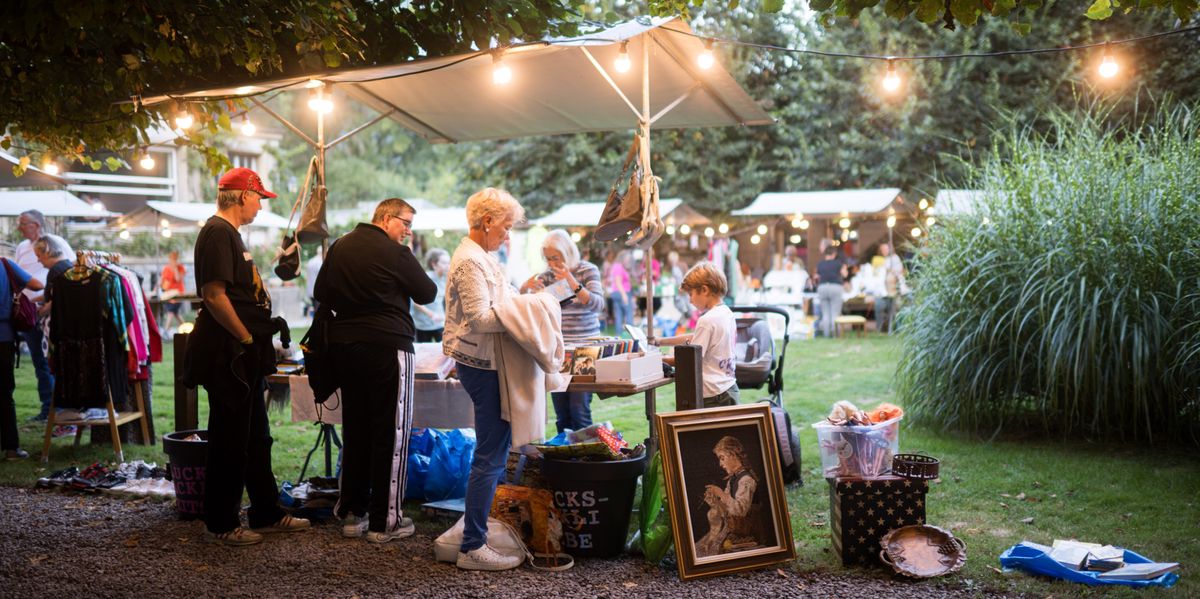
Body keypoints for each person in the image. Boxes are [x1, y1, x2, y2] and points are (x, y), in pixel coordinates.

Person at [184, 167, 309, 546]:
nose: (260, 205)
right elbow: (214, 294)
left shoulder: (232, 235)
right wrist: (243, 337)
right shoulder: (218, 233)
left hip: (245, 352)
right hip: (229, 355)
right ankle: (220, 523)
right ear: (241, 196)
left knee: (257, 437)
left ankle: (265, 511)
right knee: (229, 439)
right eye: (258, 197)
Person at [314, 198, 436, 543]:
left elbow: (320, 291)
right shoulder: (395, 252)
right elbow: (427, 293)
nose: (409, 231)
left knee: (356, 429)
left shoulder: (340, 246)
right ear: (385, 218)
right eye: (406, 222)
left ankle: (354, 513)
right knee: (391, 432)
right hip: (388, 345)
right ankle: (387, 522)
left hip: (345, 347)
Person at [443, 187, 527, 571]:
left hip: (488, 362)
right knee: (490, 455)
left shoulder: (482, 258)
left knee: (494, 452)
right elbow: (481, 317)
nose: (508, 235)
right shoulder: (469, 262)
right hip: (480, 363)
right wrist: (528, 313)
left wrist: (528, 300)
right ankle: (472, 546)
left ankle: (475, 534)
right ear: (488, 221)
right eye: (506, 227)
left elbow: (502, 302)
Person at [519, 229, 605, 433]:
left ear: (567, 252)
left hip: (586, 348)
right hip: (558, 349)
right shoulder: (547, 276)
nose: (551, 263)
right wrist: (525, 289)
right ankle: (564, 458)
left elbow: (598, 304)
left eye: (555, 257)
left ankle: (585, 458)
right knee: (561, 412)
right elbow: (534, 311)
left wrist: (571, 281)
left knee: (579, 408)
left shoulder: (588, 270)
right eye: (547, 258)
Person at [14, 210, 72, 422]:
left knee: (52, 358)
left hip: (46, 309)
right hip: (29, 312)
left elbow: (68, 276)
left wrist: (45, 301)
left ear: (36, 225)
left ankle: (58, 407)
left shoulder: (56, 243)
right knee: (39, 359)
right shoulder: (21, 247)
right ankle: (47, 406)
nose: (20, 228)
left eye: (23, 224)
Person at [658, 262, 738, 408]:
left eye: (691, 294)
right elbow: (696, 338)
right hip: (728, 388)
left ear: (704, 290)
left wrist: (659, 360)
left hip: (712, 395)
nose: (690, 300)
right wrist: (660, 341)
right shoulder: (726, 313)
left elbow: (691, 360)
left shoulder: (707, 320)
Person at [1, 254, 43, 460]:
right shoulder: (5, 264)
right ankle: (11, 448)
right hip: (4, 337)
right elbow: (37, 284)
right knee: (4, 393)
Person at [695, 435, 763, 557]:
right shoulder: (732, 480)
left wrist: (721, 494)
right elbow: (726, 512)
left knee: (707, 550)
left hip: (745, 533)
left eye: (722, 458)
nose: (720, 464)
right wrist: (715, 502)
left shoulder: (746, 480)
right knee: (699, 549)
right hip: (731, 530)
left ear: (732, 455)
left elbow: (740, 511)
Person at [412, 248, 449, 343]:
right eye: (444, 263)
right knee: (425, 354)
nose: (448, 266)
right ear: (434, 264)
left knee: (444, 351)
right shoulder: (425, 278)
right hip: (423, 324)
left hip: (440, 323)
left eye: (449, 262)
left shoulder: (446, 279)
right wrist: (431, 314)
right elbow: (414, 300)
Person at [816, 246, 848, 338]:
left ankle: (826, 335)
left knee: (825, 313)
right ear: (834, 254)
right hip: (835, 287)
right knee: (835, 313)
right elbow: (844, 274)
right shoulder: (838, 263)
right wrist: (845, 267)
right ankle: (835, 335)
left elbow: (817, 277)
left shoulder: (820, 264)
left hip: (822, 287)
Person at [875, 243, 906, 334]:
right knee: (879, 306)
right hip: (885, 290)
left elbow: (900, 271)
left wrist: (890, 270)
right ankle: (881, 329)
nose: (883, 251)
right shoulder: (883, 260)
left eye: (885, 249)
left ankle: (897, 329)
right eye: (882, 250)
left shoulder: (895, 258)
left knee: (896, 309)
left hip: (895, 289)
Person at [159, 250, 187, 333]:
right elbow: (162, 280)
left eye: (175, 258)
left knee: (171, 312)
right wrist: (158, 288)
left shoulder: (181, 268)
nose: (172, 260)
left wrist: (175, 268)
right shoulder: (166, 268)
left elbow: (178, 278)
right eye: (171, 258)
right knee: (175, 313)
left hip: (178, 294)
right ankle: (186, 329)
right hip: (168, 294)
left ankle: (165, 332)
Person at [608, 250, 634, 336]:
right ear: (622, 258)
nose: (628, 260)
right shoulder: (618, 266)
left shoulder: (616, 266)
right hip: (622, 293)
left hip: (616, 293)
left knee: (619, 315)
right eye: (627, 258)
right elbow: (618, 282)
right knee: (628, 314)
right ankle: (632, 335)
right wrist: (624, 295)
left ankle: (618, 336)